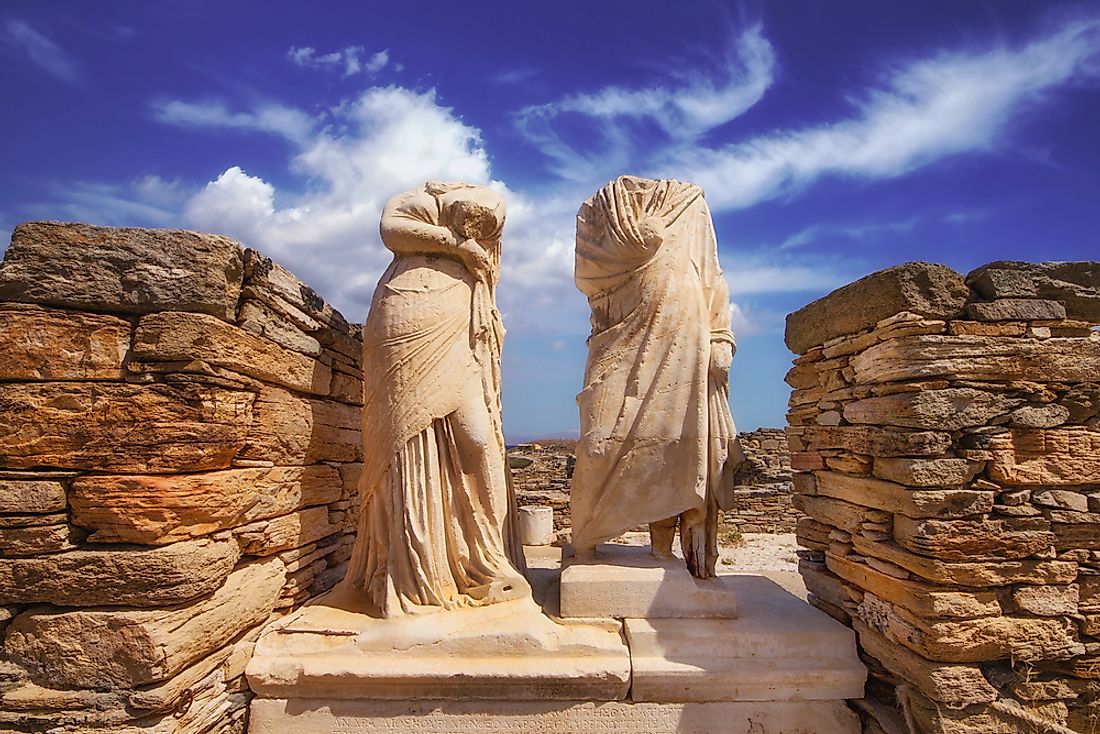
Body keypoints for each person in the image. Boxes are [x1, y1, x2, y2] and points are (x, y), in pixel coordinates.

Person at [342, 181, 529, 616]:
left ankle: (483, 556)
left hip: (459, 315)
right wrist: (460, 246)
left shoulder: (492, 199)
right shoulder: (419, 196)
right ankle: (412, 567)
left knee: (478, 438)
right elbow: (392, 229)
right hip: (404, 309)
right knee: (405, 434)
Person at [571, 175, 743, 579]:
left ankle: (662, 551)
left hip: (684, 334)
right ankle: (584, 541)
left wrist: (721, 336)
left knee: (670, 449)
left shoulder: (689, 202)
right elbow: (586, 272)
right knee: (597, 446)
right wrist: (634, 241)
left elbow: (712, 275)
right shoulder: (600, 207)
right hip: (617, 332)